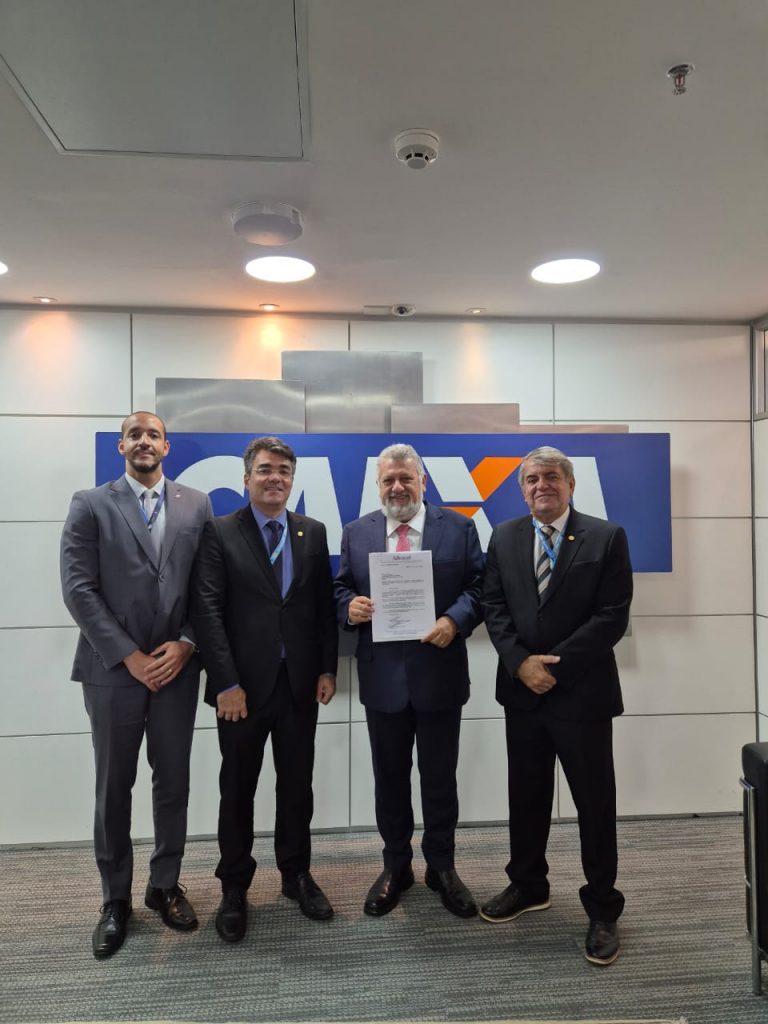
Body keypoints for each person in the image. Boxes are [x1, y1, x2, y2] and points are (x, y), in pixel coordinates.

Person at [60, 411, 212, 958]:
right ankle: (115, 899)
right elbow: (78, 589)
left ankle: (164, 885)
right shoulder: (90, 503)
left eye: (153, 434)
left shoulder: (197, 504)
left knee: (173, 782)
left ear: (166, 446)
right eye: (134, 434)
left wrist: (188, 642)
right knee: (113, 785)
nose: (144, 441)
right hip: (112, 671)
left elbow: (207, 585)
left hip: (175, 668)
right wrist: (128, 656)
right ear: (121, 446)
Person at [480, 445, 633, 966]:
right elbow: (494, 605)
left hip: (582, 695)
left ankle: (603, 907)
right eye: (531, 479)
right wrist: (520, 662)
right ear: (522, 489)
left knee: (594, 803)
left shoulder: (605, 536)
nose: (541, 485)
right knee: (526, 796)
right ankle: (528, 885)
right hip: (522, 693)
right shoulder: (504, 536)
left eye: (551, 477)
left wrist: (554, 667)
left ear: (570, 484)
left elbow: (612, 615)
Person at [190, 436, 338, 942]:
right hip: (241, 692)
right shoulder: (219, 531)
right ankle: (234, 886)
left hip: (298, 686)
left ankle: (296, 875)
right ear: (247, 478)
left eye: (284, 471)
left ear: (292, 480)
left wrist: (326, 669)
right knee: (238, 788)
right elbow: (207, 612)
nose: (275, 478)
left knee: (297, 786)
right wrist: (225, 683)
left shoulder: (311, 531)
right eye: (266, 469)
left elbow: (322, 608)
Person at [334, 442, 484, 918]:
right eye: (388, 480)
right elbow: (340, 586)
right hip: (382, 679)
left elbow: (479, 587)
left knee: (440, 779)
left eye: (406, 478)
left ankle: (442, 867)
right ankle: (395, 866)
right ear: (378, 485)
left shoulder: (459, 528)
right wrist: (349, 607)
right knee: (390, 780)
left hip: (439, 674)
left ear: (423, 481)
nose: (397, 487)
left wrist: (454, 620)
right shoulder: (357, 532)